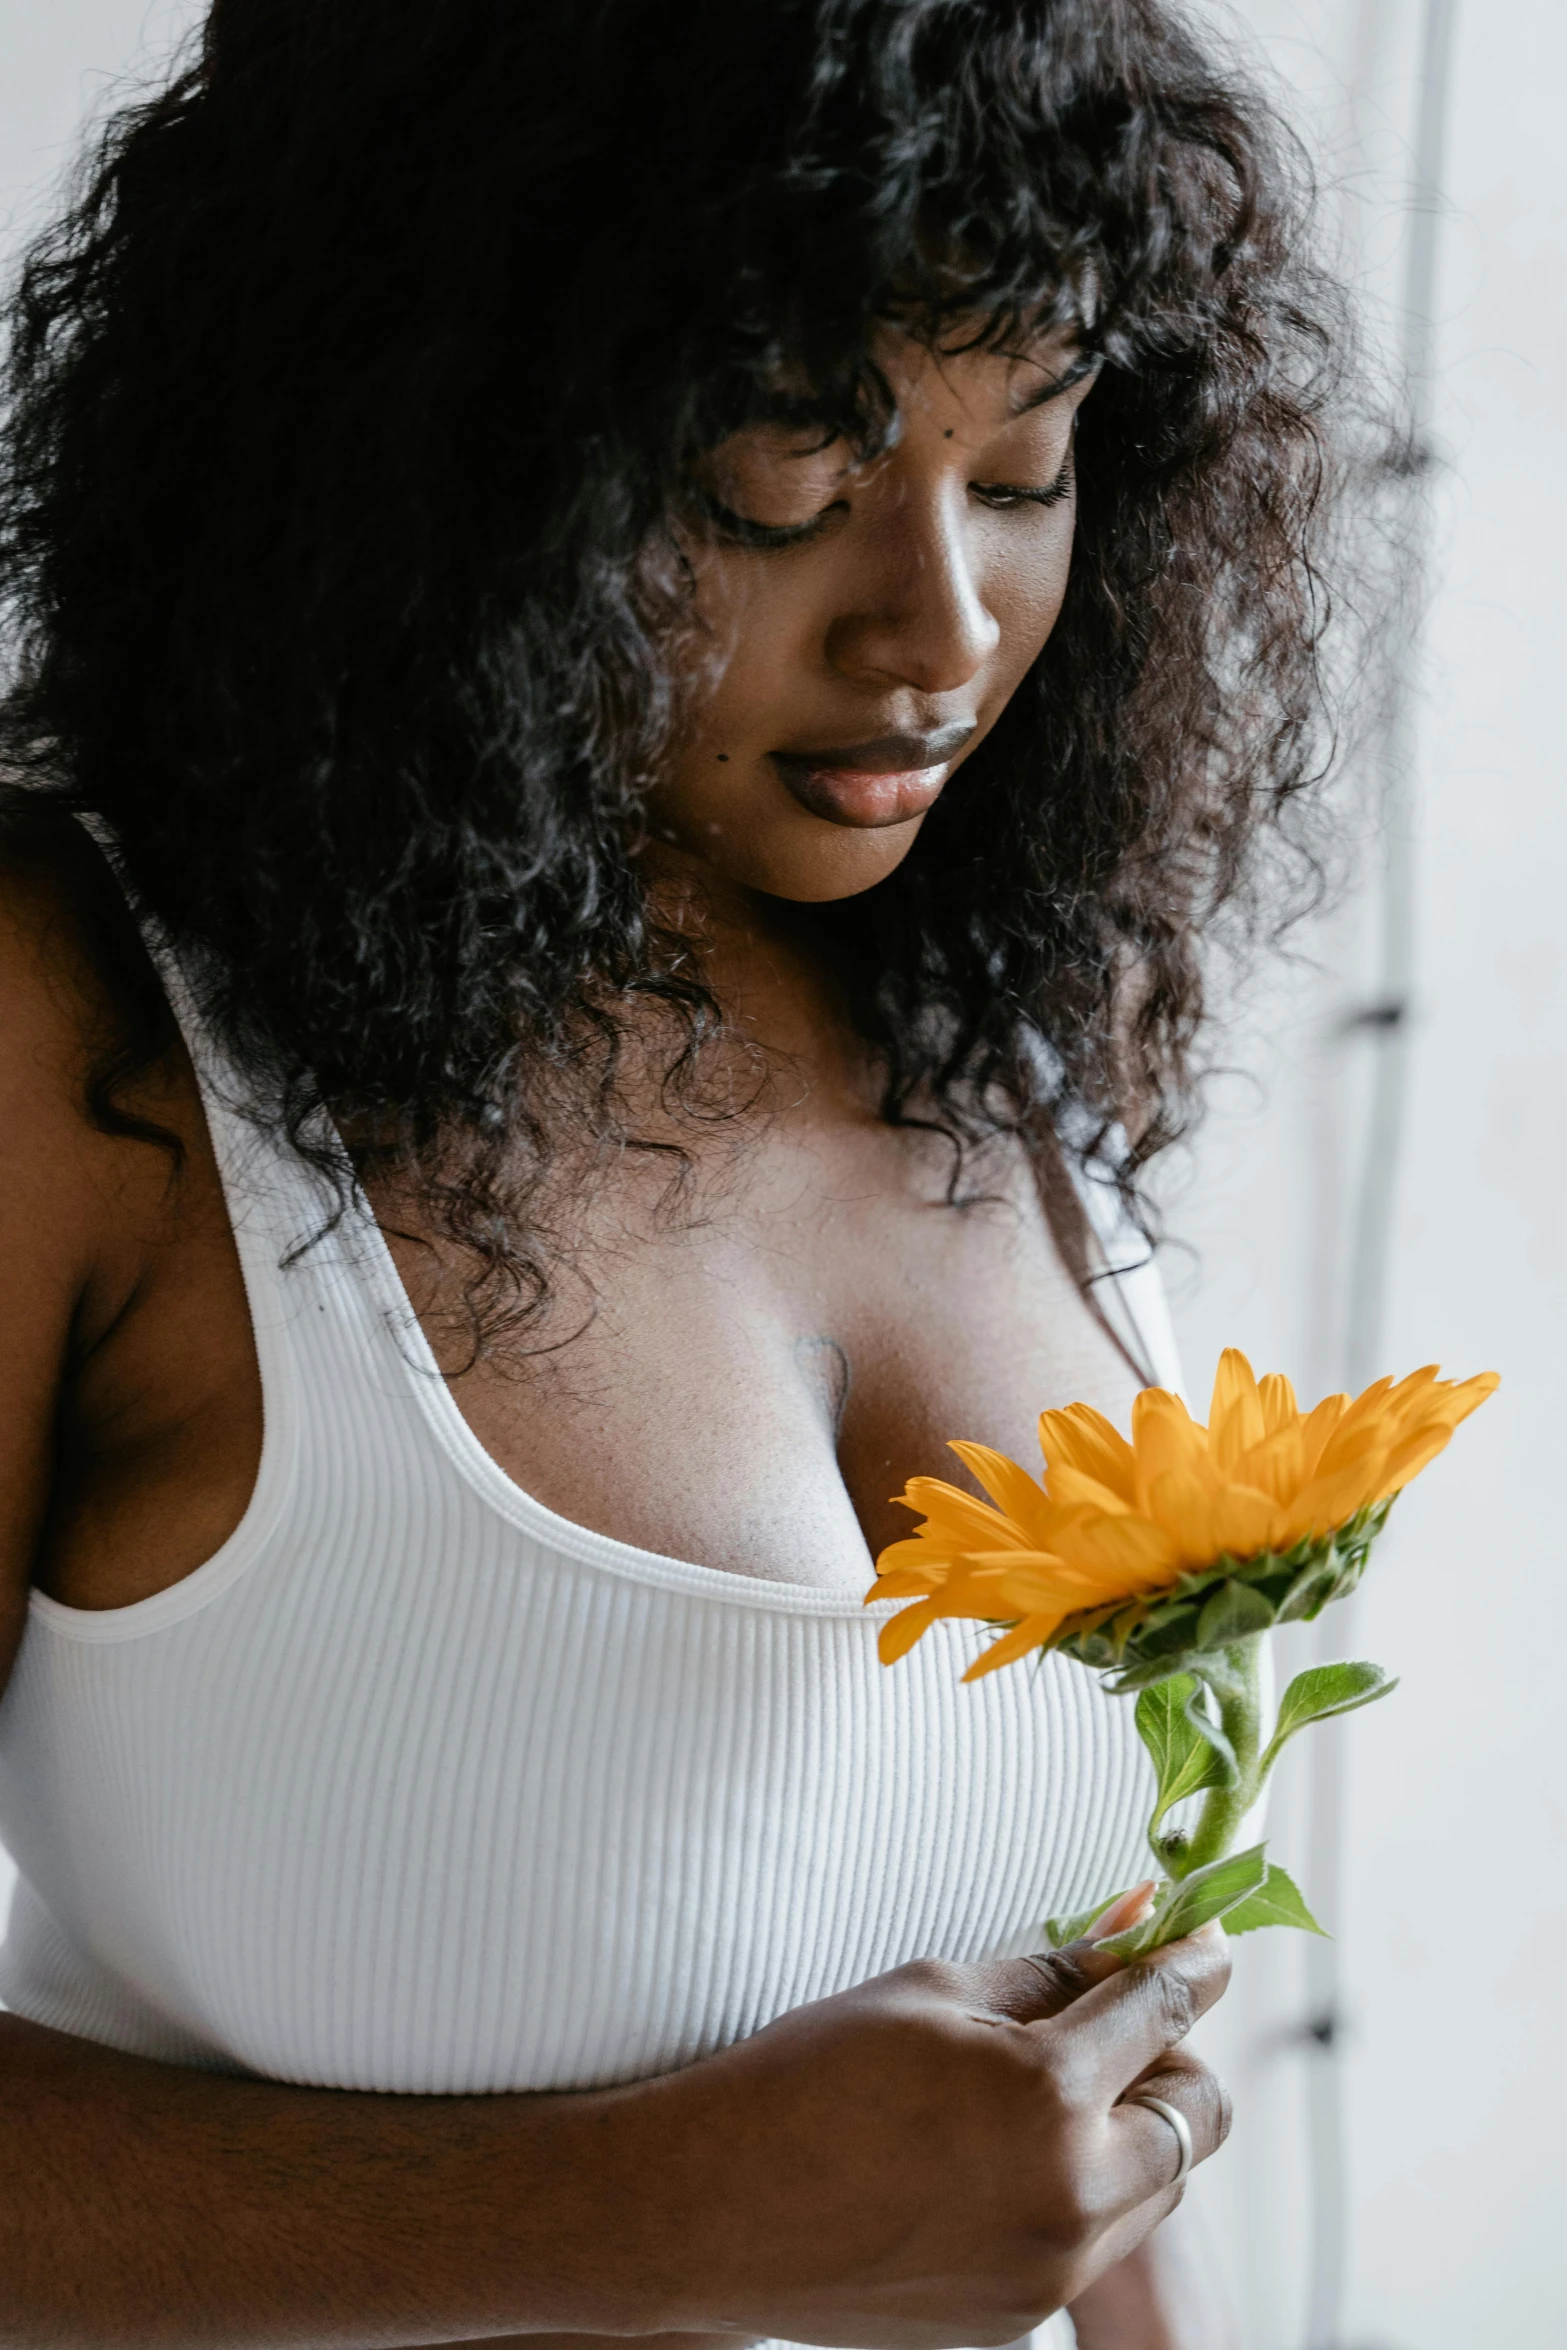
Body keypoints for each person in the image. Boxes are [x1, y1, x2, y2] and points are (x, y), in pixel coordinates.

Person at [0, 0, 1348, 2342]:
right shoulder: (81, 1032)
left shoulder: (991, 1015)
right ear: (421, 443)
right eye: (782, 485)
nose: (937, 633)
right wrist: (650, 2214)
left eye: (1022, 470)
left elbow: (1073, 2139)